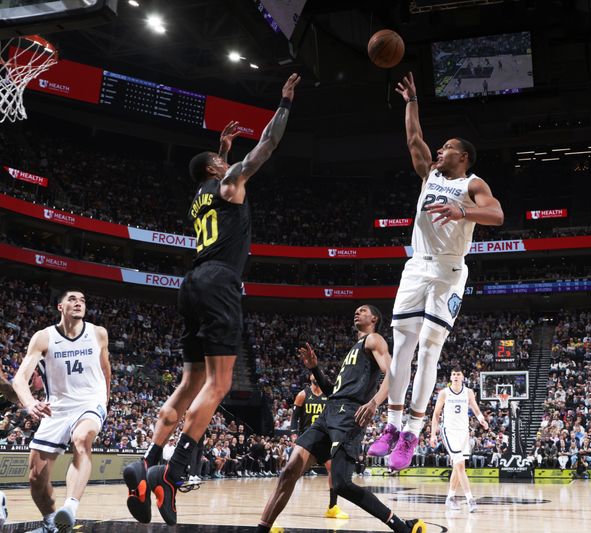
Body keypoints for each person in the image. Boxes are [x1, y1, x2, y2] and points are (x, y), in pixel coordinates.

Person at [124, 72, 301, 526]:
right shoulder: (230, 183)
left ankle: (147, 463)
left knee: (188, 384)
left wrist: (219, 151)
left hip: (191, 283)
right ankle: (173, 473)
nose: (231, 166)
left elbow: (216, 175)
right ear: (218, 172)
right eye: (224, 164)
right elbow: (266, 147)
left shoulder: (199, 196)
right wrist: (283, 104)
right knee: (218, 386)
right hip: (221, 282)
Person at [369, 71, 504, 471]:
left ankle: (411, 431)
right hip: (416, 267)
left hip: (449, 273)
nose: (439, 151)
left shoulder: (473, 183)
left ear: (462, 157)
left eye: (446, 148)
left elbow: (496, 214)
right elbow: (413, 140)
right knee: (401, 349)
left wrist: (464, 211)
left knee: (429, 350)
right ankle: (392, 426)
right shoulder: (429, 174)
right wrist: (412, 101)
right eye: (440, 147)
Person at [256, 305, 426, 533]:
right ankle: (261, 529)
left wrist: (375, 402)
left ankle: (400, 526)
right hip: (329, 413)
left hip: (350, 417)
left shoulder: (374, 340)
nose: (357, 312)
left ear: (374, 318)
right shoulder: (354, 349)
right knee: (289, 471)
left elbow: (393, 375)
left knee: (341, 484)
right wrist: (315, 368)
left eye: (363, 310)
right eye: (356, 310)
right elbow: (332, 391)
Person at [12, 289, 111, 532]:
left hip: (89, 401)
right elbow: (19, 379)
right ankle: (51, 523)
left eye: (83, 300)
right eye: (73, 299)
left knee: (81, 439)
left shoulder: (98, 333)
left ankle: (71, 506)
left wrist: (104, 401)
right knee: (36, 477)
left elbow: (106, 368)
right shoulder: (43, 337)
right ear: (60, 306)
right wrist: (30, 403)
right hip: (56, 407)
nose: (79, 303)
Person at [290, 374, 349, 520]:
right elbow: (294, 417)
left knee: (332, 469)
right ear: (309, 378)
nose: (315, 374)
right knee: (292, 474)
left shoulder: (329, 395)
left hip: (324, 437)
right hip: (307, 438)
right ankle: (274, 514)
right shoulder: (303, 395)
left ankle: (332, 508)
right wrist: (293, 434)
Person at [429, 366, 488, 513]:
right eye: (453, 374)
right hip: (449, 431)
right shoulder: (444, 393)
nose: (455, 376)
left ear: (462, 377)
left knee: (458, 466)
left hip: (463, 432)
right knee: (460, 465)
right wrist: (432, 434)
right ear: (450, 377)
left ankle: (450, 497)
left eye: (458, 374)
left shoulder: (468, 392)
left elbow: (475, 408)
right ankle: (470, 500)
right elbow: (436, 414)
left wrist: (481, 419)